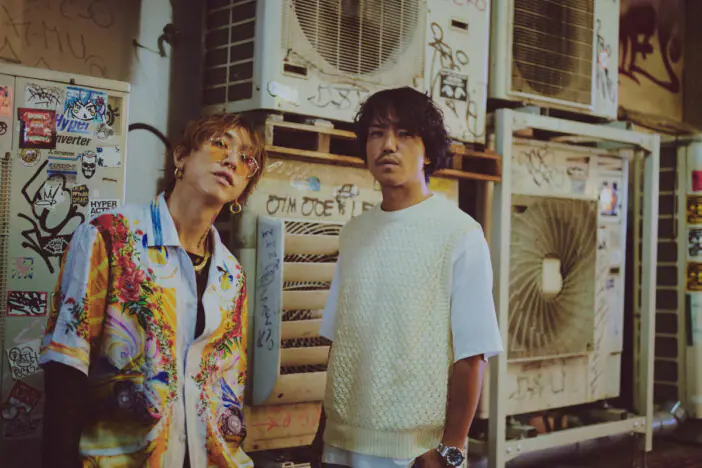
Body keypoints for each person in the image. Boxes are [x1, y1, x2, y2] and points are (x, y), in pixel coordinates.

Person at [39, 113, 266, 467]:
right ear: (181, 157)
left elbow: (227, 388)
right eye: (221, 143)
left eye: (247, 159)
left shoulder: (231, 275)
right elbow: (66, 367)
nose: (232, 160)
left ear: (243, 189)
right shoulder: (109, 238)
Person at [317, 87, 504, 468]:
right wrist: (321, 437)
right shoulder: (354, 233)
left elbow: (473, 355)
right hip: (341, 445)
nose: (388, 145)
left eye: (404, 134)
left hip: (416, 454)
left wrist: (450, 451)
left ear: (429, 151)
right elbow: (341, 343)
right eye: (376, 133)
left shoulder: (460, 234)